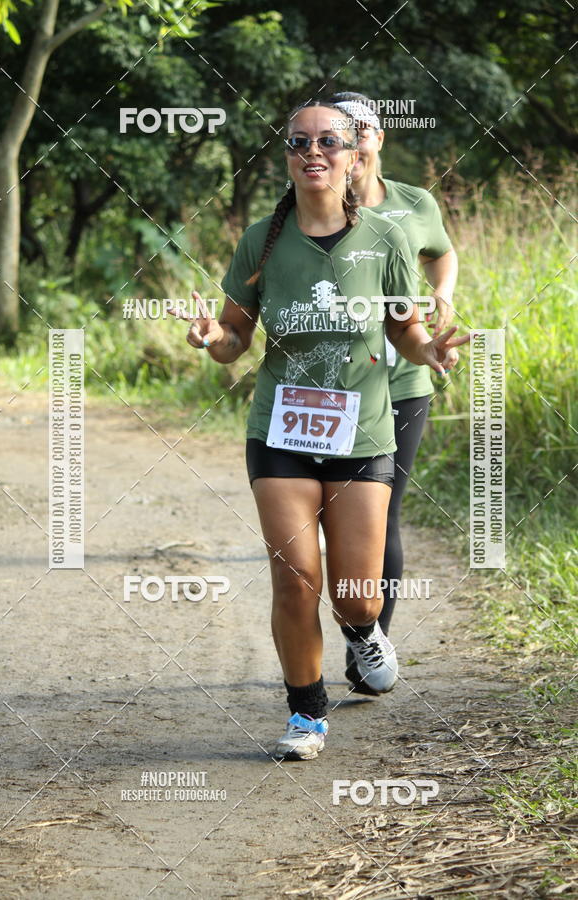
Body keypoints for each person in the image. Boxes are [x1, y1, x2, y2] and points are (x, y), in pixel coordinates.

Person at [174, 100, 468, 760]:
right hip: (281, 429)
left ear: (353, 157)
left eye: (329, 141)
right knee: (295, 578)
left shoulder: (386, 242)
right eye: (299, 142)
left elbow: (404, 331)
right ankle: (306, 716)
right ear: (288, 157)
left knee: (356, 598)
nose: (313, 152)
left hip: (362, 433)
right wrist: (212, 336)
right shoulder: (263, 240)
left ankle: (363, 633)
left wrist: (433, 352)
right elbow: (237, 337)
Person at [329, 91, 459, 647]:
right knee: (333, 523)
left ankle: (371, 642)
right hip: (331, 391)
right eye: (341, 132)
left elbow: (442, 252)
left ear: (379, 137)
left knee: (383, 514)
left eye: (363, 130)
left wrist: (443, 295)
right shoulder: (311, 202)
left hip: (402, 385)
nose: (354, 141)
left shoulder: (414, 203)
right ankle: (352, 625)